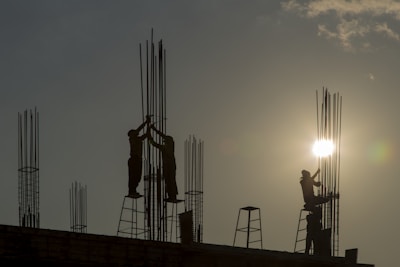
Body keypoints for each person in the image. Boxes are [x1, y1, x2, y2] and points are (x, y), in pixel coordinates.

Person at [148, 123, 178, 201]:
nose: (165, 142)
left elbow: (162, 135)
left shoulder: (171, 144)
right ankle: (170, 195)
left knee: (171, 180)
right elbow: (154, 144)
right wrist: (150, 138)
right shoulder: (163, 147)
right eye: (165, 142)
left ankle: (173, 195)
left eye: (166, 141)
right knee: (167, 180)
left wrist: (154, 129)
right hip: (166, 166)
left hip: (171, 165)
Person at [127, 115, 151, 197]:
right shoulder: (132, 139)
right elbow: (139, 129)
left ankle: (134, 190)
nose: (137, 132)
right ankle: (131, 191)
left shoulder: (138, 139)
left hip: (138, 159)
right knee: (133, 176)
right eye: (134, 132)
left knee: (138, 176)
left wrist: (149, 127)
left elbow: (146, 135)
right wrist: (146, 122)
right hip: (134, 159)